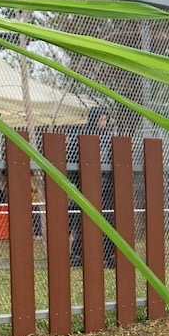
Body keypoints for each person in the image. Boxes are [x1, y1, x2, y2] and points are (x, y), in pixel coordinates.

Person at [65, 107, 113, 267]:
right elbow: (71, 159)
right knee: (82, 220)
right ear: (95, 119)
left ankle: (106, 254)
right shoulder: (82, 136)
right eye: (102, 119)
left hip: (104, 186)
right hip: (85, 185)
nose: (104, 123)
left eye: (105, 119)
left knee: (106, 219)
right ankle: (78, 254)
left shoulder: (107, 138)